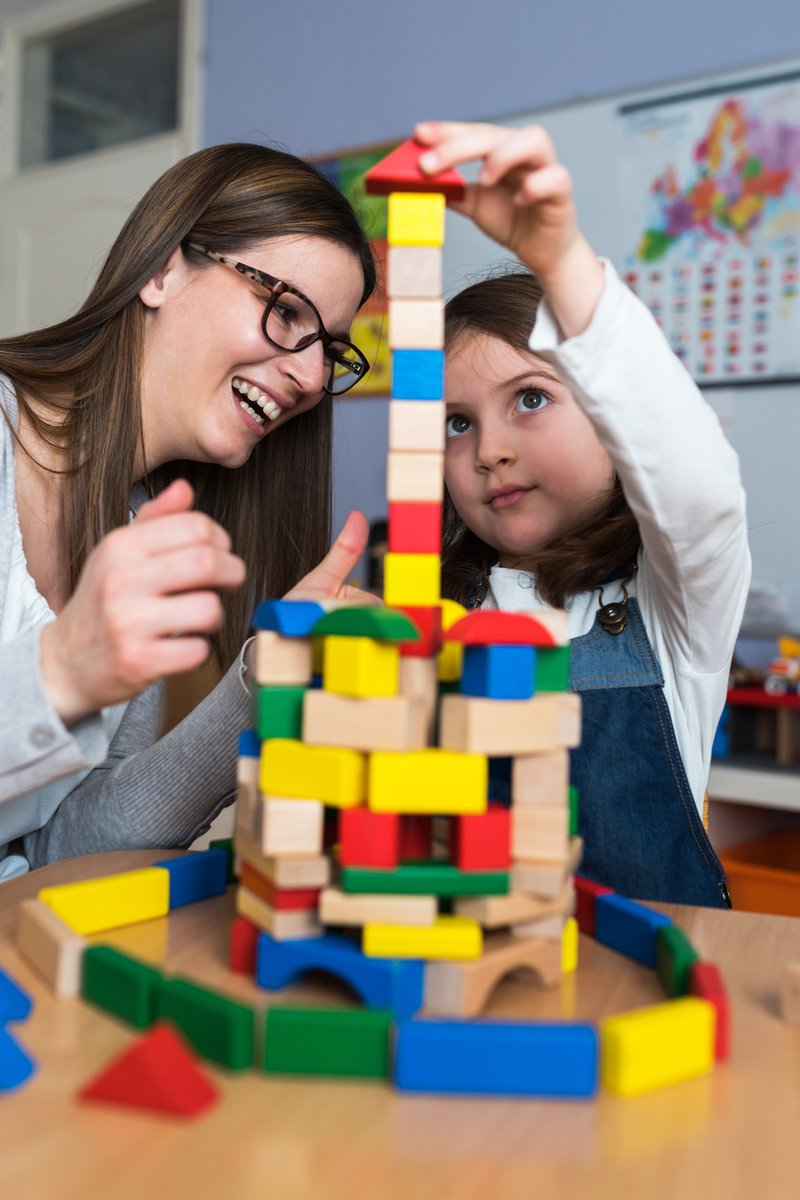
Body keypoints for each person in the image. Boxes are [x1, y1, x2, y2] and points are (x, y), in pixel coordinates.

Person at [0, 141, 377, 879]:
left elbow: (63, 848)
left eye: (329, 350)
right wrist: (64, 671)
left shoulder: (148, 532)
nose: (307, 376)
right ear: (162, 270)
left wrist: (255, 688)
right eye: (284, 309)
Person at [414, 120, 750, 907]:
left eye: (530, 400)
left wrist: (562, 263)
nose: (489, 450)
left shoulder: (671, 612)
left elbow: (699, 491)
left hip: (640, 1008)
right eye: (456, 423)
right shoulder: (436, 615)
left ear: (611, 420)